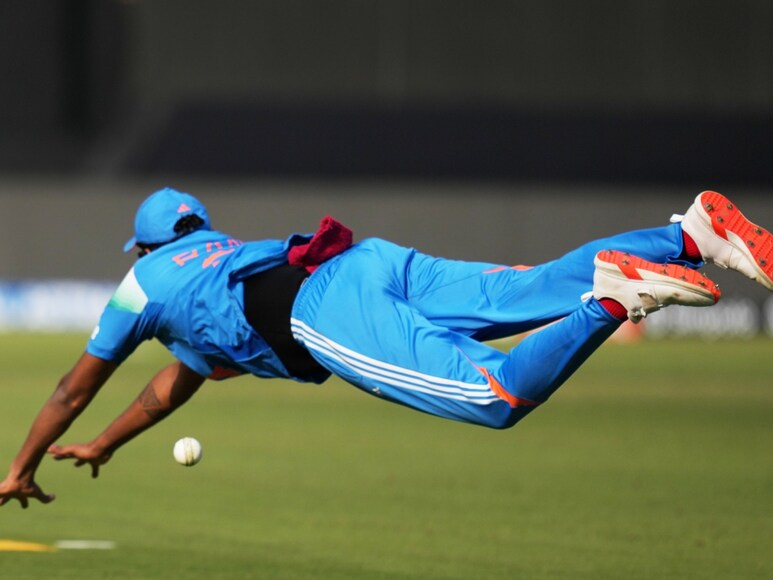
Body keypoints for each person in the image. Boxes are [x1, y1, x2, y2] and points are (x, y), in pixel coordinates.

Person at [1, 188, 770, 508]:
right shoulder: (217, 260)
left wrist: (20, 466)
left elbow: (73, 388)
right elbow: (173, 382)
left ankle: (615, 297)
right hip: (365, 260)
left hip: (328, 309)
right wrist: (106, 443)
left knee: (491, 397)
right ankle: (688, 232)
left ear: (141, 247)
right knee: (533, 289)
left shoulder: (143, 288)